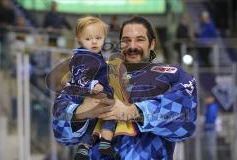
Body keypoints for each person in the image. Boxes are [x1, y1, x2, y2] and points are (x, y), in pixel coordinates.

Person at [52, 16, 197, 160]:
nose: (132, 46)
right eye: (126, 40)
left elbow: (185, 123)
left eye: (140, 39)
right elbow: (60, 132)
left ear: (152, 44)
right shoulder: (94, 73)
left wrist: (135, 111)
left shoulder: (172, 74)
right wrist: (79, 113)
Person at [69, 16, 118, 160]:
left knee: (95, 122)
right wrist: (92, 85)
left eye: (98, 37)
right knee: (108, 117)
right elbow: (79, 76)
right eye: (88, 39)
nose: (94, 42)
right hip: (92, 95)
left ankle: (85, 148)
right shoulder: (81, 57)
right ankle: (104, 144)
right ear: (79, 39)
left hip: (102, 94)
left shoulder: (95, 55)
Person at [203, 94, 219, 160]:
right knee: (208, 147)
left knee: (211, 148)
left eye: (208, 98)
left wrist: (206, 125)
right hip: (207, 129)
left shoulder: (213, 106)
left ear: (212, 98)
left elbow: (211, 118)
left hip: (211, 128)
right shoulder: (208, 106)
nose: (207, 100)